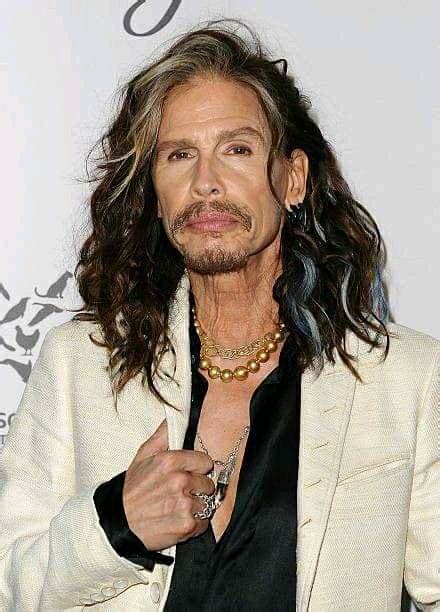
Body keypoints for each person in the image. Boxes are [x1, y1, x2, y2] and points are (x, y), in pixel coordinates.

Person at [0, 18, 438, 612]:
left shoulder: (405, 379)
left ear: (293, 179)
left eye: (237, 150)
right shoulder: (79, 363)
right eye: (180, 155)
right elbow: (7, 582)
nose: (206, 183)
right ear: (154, 191)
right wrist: (114, 526)